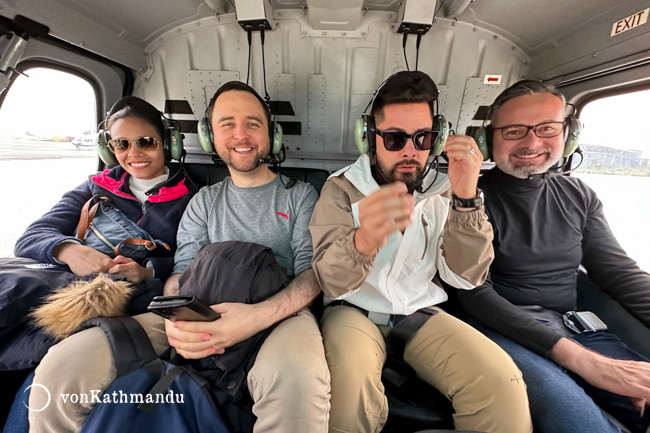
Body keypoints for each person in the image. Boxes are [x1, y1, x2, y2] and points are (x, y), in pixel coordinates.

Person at [30, 82, 331, 432]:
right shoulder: (203, 201)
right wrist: (173, 312)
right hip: (196, 307)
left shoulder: (301, 196)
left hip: (278, 313)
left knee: (297, 381)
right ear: (210, 138)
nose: (240, 135)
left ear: (270, 135)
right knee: (65, 366)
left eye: (253, 123)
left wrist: (253, 319)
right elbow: (182, 269)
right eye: (226, 124)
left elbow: (311, 274)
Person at [309, 70, 532, 433]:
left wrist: (465, 199)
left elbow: (465, 276)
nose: (411, 150)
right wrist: (364, 241)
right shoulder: (342, 188)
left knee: (502, 385)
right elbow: (331, 283)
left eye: (423, 137)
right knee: (348, 397)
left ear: (437, 138)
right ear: (370, 138)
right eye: (395, 138)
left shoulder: (449, 189)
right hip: (354, 312)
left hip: (420, 313)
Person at [457, 79, 650, 433]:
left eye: (546, 128)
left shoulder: (579, 194)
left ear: (567, 134)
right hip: (503, 333)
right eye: (514, 131)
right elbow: (472, 292)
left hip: (580, 329)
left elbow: (618, 273)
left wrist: (589, 355)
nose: (531, 143)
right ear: (488, 140)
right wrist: (579, 359)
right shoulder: (468, 200)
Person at [24, 96, 197, 431]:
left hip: (141, 306)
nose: (134, 154)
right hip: (74, 299)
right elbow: (33, 235)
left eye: (146, 142)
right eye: (122, 144)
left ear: (168, 143)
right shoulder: (94, 187)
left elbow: (197, 258)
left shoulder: (193, 197)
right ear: (109, 148)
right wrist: (68, 250)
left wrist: (149, 272)